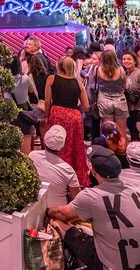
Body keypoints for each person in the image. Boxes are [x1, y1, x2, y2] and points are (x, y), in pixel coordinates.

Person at [48, 146, 140, 270]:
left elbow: (61, 214)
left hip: (111, 266)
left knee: (60, 224)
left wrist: (47, 210)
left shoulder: (91, 196)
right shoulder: (135, 191)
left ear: (94, 172)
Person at [45, 57, 91, 187]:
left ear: (59, 66)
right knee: (75, 146)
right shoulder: (78, 83)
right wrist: (76, 110)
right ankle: (76, 176)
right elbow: (86, 106)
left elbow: (48, 100)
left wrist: (47, 115)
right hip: (74, 116)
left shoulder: (52, 79)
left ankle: (56, 174)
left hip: (58, 113)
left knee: (57, 143)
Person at [28, 125, 80, 208]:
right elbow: (77, 200)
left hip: (35, 206)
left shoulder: (32, 155)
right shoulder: (68, 170)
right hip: (57, 211)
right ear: (62, 147)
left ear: (44, 140)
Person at [94, 51, 129, 143]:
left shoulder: (98, 69)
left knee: (108, 130)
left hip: (104, 101)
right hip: (120, 100)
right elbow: (124, 86)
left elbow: (95, 83)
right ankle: (122, 152)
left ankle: (110, 152)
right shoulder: (121, 70)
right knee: (122, 131)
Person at [122, 51, 140, 141]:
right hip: (129, 109)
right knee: (133, 135)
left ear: (135, 61)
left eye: (129, 59)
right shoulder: (125, 74)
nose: (126, 61)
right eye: (124, 59)